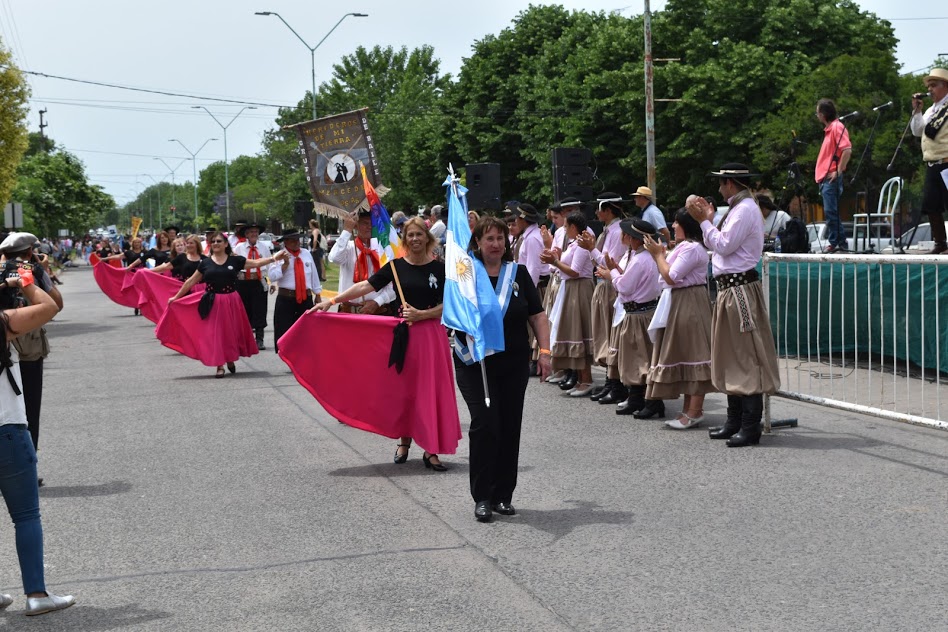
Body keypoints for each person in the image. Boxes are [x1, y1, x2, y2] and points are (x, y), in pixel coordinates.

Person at [313, 217, 448, 470]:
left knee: (429, 391)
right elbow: (365, 285)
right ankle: (404, 442)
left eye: (419, 234)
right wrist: (331, 301)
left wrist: (423, 314)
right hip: (404, 336)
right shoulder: (395, 267)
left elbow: (451, 304)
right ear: (404, 239)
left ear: (427, 238)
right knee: (405, 390)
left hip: (431, 337)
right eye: (410, 235)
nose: (415, 239)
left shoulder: (440, 269)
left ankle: (431, 449)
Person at [455, 216, 552, 523]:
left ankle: (502, 495)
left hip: (513, 362)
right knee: (485, 424)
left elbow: (537, 316)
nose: (496, 244)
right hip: (476, 363)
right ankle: (482, 496)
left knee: (509, 426)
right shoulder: (465, 274)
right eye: (489, 239)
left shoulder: (518, 273)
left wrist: (545, 352)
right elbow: (451, 313)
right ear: (478, 243)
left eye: (500, 238)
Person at [686, 163, 781, 447]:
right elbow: (718, 244)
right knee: (730, 355)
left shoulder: (745, 209)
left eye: (720, 183)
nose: (718, 189)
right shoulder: (739, 209)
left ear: (729, 183)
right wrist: (709, 221)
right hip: (731, 289)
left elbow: (723, 245)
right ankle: (735, 420)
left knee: (744, 355)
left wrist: (704, 221)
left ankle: (750, 426)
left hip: (739, 290)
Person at [0, 264, 75, 615]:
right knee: (26, 515)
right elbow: (50, 306)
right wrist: (24, 280)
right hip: (7, 429)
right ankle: (36, 594)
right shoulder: (4, 322)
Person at [158, 232, 286, 378]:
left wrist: (273, 258)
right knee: (216, 334)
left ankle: (230, 358)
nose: (215, 243)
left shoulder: (235, 260)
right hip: (213, 302)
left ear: (226, 244)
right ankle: (220, 365)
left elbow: (256, 263)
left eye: (219, 241)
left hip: (231, 301)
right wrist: (176, 297)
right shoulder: (205, 263)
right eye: (213, 241)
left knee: (230, 332)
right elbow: (190, 281)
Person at [0, 233, 64, 487]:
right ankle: (27, 467)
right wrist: (41, 270)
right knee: (28, 411)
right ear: (29, 252)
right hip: (27, 348)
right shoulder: (31, 270)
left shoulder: (0, 270)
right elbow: (56, 304)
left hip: (4, 341)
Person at [643, 209, 715, 429]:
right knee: (685, 354)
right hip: (680, 301)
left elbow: (671, 276)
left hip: (690, 301)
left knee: (695, 354)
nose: (673, 226)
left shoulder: (692, 248)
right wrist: (660, 256)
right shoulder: (685, 247)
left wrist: (658, 256)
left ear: (687, 225)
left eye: (676, 222)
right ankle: (688, 409)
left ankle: (695, 411)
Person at [604, 219, 662, 417]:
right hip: (644, 311)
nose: (624, 237)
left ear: (634, 239)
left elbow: (624, 287)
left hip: (637, 314)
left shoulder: (639, 260)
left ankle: (650, 401)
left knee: (638, 358)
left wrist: (612, 272)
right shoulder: (647, 257)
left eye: (627, 234)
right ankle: (640, 399)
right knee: (642, 357)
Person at [576, 193, 627, 403]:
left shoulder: (618, 231)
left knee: (610, 334)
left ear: (608, 210)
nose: (596, 213)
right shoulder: (608, 230)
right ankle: (610, 381)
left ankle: (616, 384)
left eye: (599, 209)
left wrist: (591, 249)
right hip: (603, 283)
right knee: (604, 334)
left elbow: (609, 263)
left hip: (611, 285)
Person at [540, 211, 595, 396]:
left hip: (579, 288)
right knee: (573, 332)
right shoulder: (573, 244)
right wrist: (555, 256)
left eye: (566, 226)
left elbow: (575, 271)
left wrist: (555, 261)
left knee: (580, 333)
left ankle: (587, 379)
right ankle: (580, 378)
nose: (564, 230)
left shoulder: (581, 245)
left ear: (573, 227)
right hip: (571, 288)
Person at [327, 211, 395, 315]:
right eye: (365, 223)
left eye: (372, 223)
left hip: (379, 312)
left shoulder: (384, 250)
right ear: (356, 225)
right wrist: (347, 230)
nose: (369, 227)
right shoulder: (349, 247)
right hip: (349, 313)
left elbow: (393, 285)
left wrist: (377, 302)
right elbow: (335, 258)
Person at [910, 68, 948, 254]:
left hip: (947, 161)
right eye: (929, 86)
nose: (930, 90)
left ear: (945, 86)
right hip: (933, 163)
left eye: (934, 85)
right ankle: (940, 243)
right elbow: (917, 131)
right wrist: (917, 111)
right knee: (931, 204)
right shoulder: (931, 111)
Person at [542, 198, 578, 385]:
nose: (556, 220)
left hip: (569, 281)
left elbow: (573, 267)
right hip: (557, 279)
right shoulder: (559, 232)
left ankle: (573, 371)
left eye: (560, 215)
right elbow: (556, 255)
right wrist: (549, 249)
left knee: (570, 328)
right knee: (557, 325)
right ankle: (561, 367)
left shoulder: (582, 234)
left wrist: (554, 260)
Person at [268, 231, 321, 353]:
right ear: (285, 242)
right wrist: (284, 265)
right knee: (285, 330)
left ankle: (304, 356)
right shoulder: (279, 256)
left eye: (297, 240)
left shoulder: (306, 253)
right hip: (286, 298)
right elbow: (272, 276)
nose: (296, 243)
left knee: (307, 330)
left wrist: (317, 294)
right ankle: (287, 355)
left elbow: (313, 275)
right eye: (292, 240)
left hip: (305, 298)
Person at [511, 204, 548, 376]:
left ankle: (535, 360)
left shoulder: (532, 239)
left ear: (523, 220)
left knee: (534, 322)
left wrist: (526, 292)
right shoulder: (528, 236)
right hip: (530, 285)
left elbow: (533, 268)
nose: (515, 221)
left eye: (517, 218)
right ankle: (532, 358)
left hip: (534, 286)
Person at [815, 98, 852, 253]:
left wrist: (838, 170)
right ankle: (839, 242)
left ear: (823, 114)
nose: (817, 115)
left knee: (831, 211)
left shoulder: (837, 127)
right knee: (831, 211)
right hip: (826, 177)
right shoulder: (830, 130)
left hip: (831, 177)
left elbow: (847, 150)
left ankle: (836, 242)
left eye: (817, 112)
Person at [232, 222, 271, 350]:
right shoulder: (239, 248)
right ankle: (245, 339)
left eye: (256, 232)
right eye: (251, 232)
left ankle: (259, 339)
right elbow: (235, 265)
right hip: (243, 282)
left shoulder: (264, 247)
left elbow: (270, 265)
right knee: (244, 310)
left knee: (260, 310)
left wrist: (271, 282)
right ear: (246, 234)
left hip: (258, 281)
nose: (254, 234)